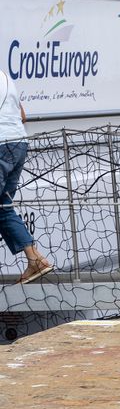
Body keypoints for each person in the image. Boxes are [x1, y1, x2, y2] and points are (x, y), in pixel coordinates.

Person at [0, 69, 55, 285]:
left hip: (1, 145)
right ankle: (35, 259)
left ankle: (36, 260)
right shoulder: (5, 76)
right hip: (18, 143)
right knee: (3, 206)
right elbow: (22, 116)